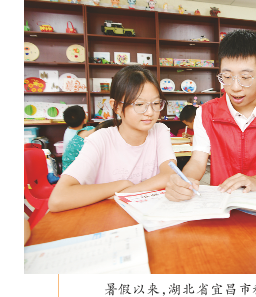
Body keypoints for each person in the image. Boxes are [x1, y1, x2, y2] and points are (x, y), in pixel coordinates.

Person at [165, 29, 256, 201]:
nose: (235, 87)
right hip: (223, 204)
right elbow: (197, 161)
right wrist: (184, 181)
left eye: (245, 77)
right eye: (226, 76)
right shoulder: (206, 113)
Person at [49, 65, 177, 212]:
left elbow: (170, 174)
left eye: (156, 103)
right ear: (116, 107)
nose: (150, 112)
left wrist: (127, 192)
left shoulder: (160, 131)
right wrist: (121, 184)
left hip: (147, 216)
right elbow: (58, 199)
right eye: (139, 104)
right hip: (105, 217)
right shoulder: (100, 139)